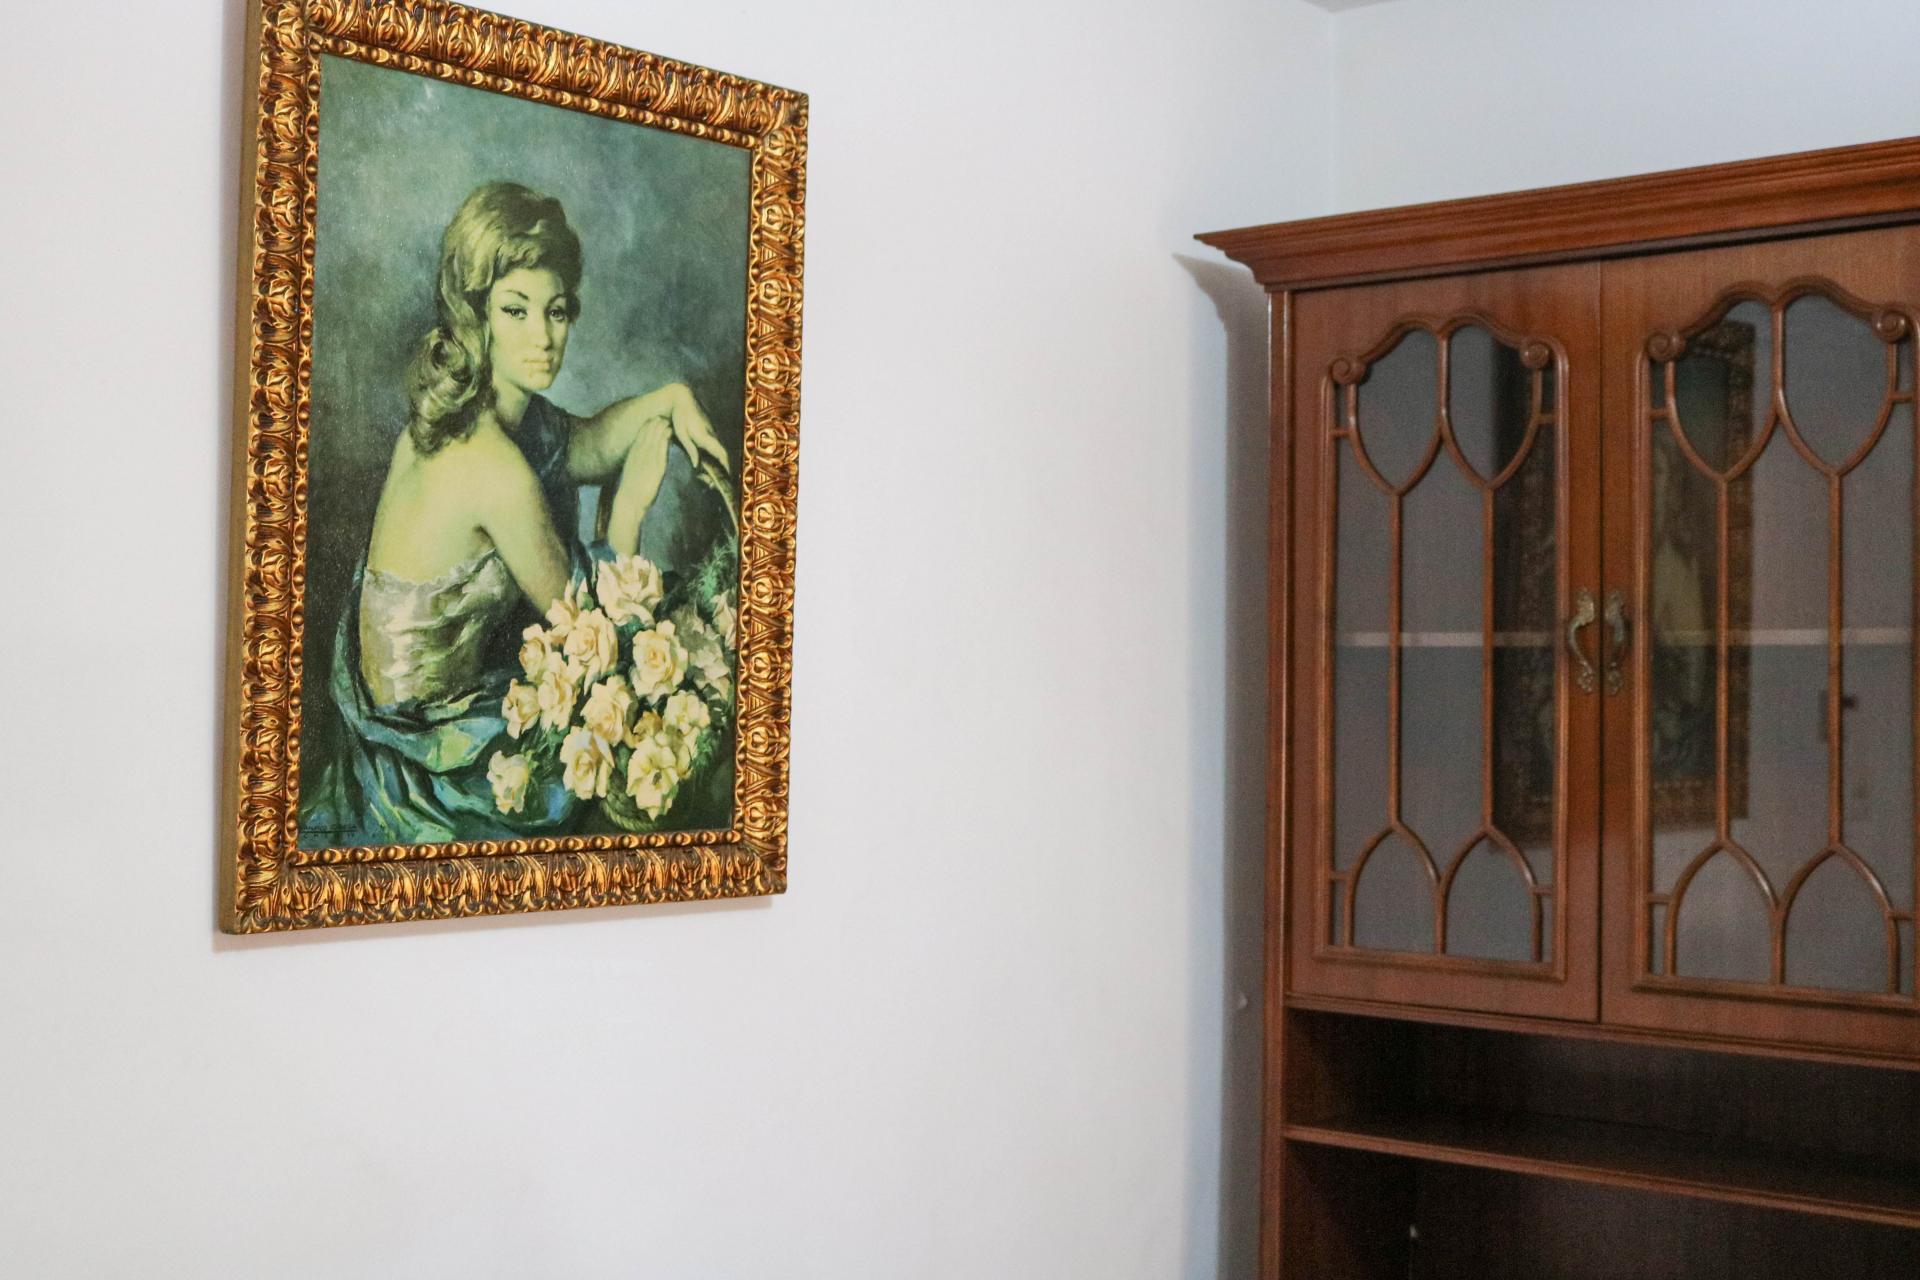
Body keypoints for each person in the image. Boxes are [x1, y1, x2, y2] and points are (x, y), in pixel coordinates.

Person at [299, 181, 729, 847]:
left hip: (418, 725)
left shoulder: (474, 412)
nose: (543, 337)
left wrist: (672, 398)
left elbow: (585, 444)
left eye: (555, 312)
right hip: (428, 763)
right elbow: (591, 638)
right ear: (476, 316)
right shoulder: (491, 467)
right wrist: (628, 509)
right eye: (516, 310)